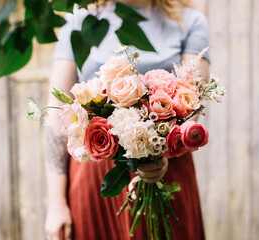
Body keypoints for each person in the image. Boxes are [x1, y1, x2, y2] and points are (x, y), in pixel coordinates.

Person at [44, 0, 210, 239]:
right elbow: (57, 118)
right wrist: (56, 202)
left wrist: (159, 155)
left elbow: (192, 103)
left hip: (166, 167)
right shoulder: (80, 21)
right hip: (96, 173)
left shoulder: (189, 21)